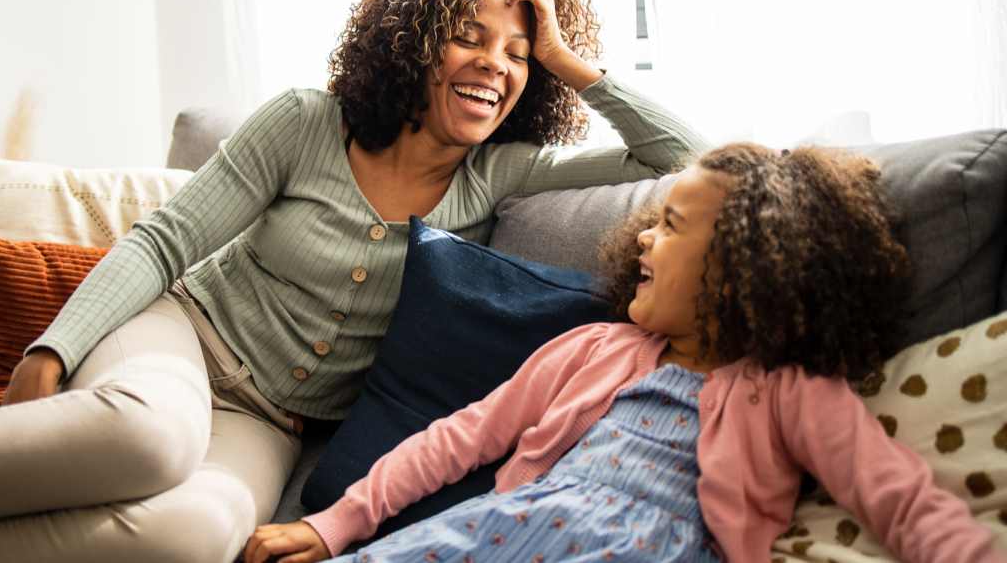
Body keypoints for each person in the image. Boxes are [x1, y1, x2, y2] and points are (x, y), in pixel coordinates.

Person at [0, 0, 707, 562]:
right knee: (148, 437)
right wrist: (55, 346)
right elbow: (166, 241)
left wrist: (567, 56)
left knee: (191, 538)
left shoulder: (500, 176)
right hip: (181, 339)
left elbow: (685, 158)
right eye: (469, 35)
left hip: (268, 422)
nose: (494, 64)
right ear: (412, 42)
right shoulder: (308, 123)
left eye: (517, 54)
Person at [243, 144, 1006, 563]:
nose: (643, 237)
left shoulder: (787, 390)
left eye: (671, 227)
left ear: (748, 265)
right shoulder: (593, 348)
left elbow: (896, 495)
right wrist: (333, 524)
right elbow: (458, 440)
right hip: (508, 528)